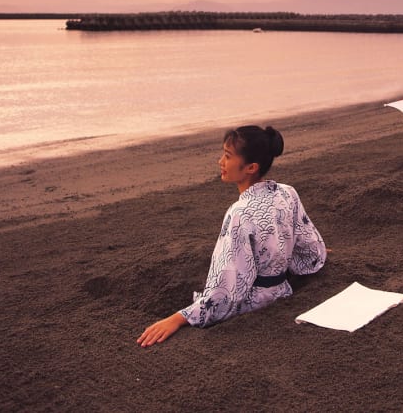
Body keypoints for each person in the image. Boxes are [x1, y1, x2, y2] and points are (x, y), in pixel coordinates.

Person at [137, 125, 327, 347]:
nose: (221, 162)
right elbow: (311, 248)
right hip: (284, 289)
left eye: (227, 156)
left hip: (257, 301)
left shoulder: (239, 213)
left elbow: (226, 290)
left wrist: (179, 318)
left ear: (251, 167)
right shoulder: (286, 192)